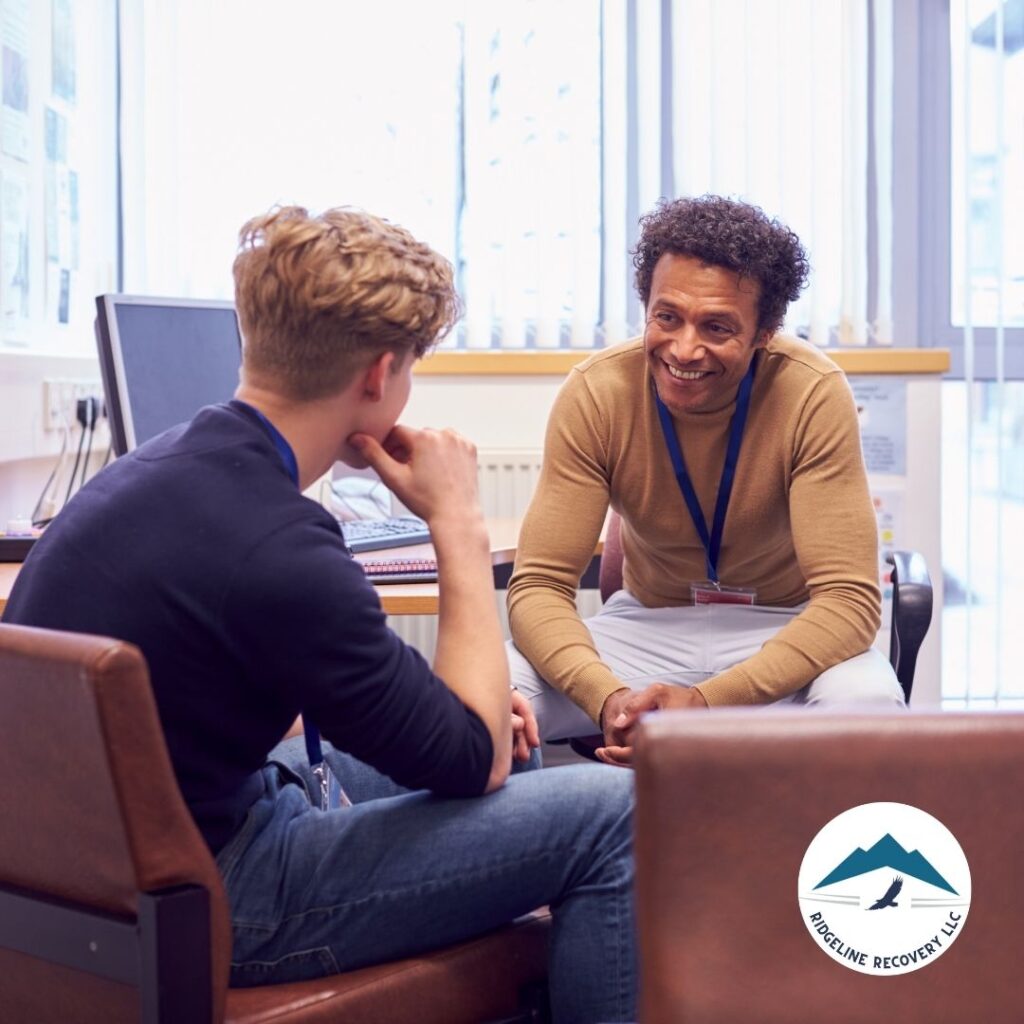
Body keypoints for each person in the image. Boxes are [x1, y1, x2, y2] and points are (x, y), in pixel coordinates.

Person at [3, 206, 635, 1022]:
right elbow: (470, 759)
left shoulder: (158, 468)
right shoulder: (280, 548)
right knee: (613, 815)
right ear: (379, 376)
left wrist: (472, 730)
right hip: (217, 895)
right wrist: (459, 523)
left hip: (102, 871)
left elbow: (447, 733)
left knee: (521, 753)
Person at [506, 194, 905, 767]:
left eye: (716, 326)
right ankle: (552, 849)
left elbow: (848, 603)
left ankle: (808, 857)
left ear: (765, 331)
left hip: (783, 629)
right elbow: (539, 586)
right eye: (667, 317)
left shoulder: (812, 392)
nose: (684, 349)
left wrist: (707, 702)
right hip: (646, 629)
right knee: (488, 695)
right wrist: (609, 699)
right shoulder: (598, 392)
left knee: (868, 710)